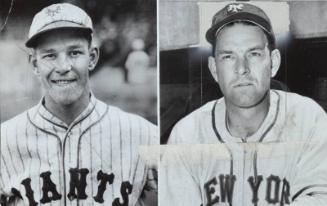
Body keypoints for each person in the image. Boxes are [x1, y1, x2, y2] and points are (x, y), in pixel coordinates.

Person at [160, 3, 327, 206]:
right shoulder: (186, 135)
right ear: (214, 69)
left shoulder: (309, 119)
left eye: (254, 54)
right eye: (228, 56)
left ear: (273, 62)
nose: (242, 69)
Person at [0, 3, 157, 206]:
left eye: (74, 53)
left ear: (92, 58)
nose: (63, 67)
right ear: (34, 64)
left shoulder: (141, 134)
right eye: (50, 55)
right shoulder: (5, 140)